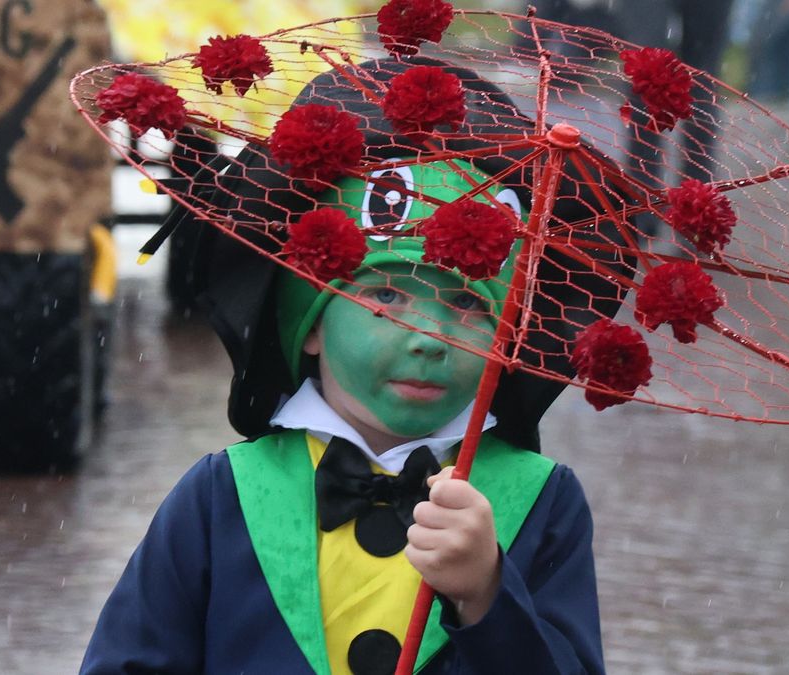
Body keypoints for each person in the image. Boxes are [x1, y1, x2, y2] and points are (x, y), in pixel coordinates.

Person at [79, 56, 625, 674]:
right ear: (309, 322)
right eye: (386, 297)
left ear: (508, 338)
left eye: (470, 303)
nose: (429, 337)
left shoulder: (541, 500)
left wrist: (488, 594)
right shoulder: (221, 493)